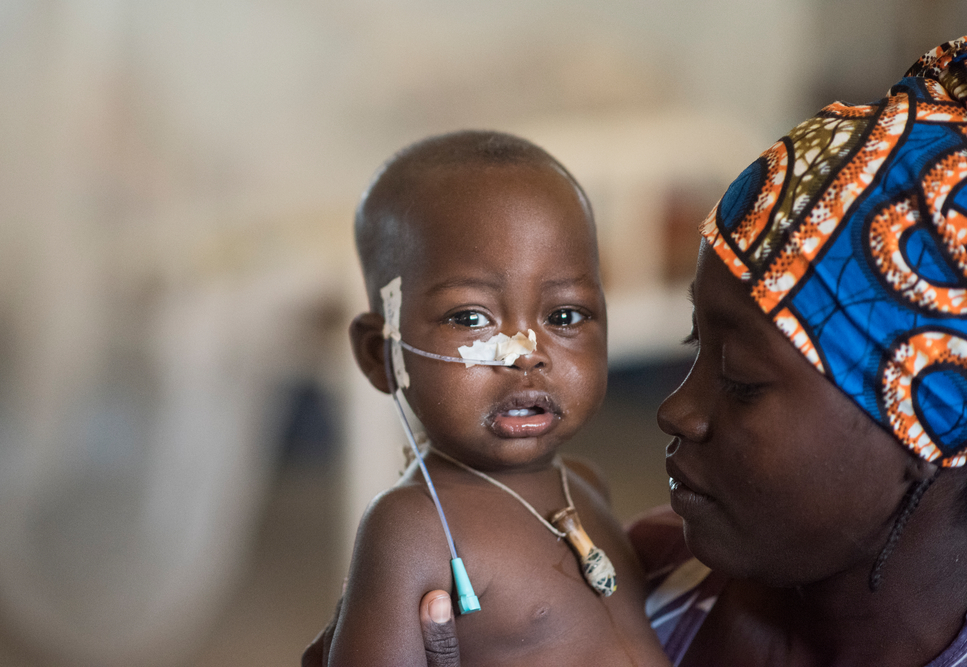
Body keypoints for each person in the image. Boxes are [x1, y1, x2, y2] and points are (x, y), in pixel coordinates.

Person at [304, 36, 967, 667]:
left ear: (926, 428)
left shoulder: (597, 521)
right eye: (692, 346)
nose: (674, 408)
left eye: (737, 378)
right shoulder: (644, 560)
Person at [321, 131, 670, 666]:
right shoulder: (412, 529)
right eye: (471, 319)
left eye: (564, 316)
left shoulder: (585, 486)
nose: (525, 355)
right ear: (382, 354)